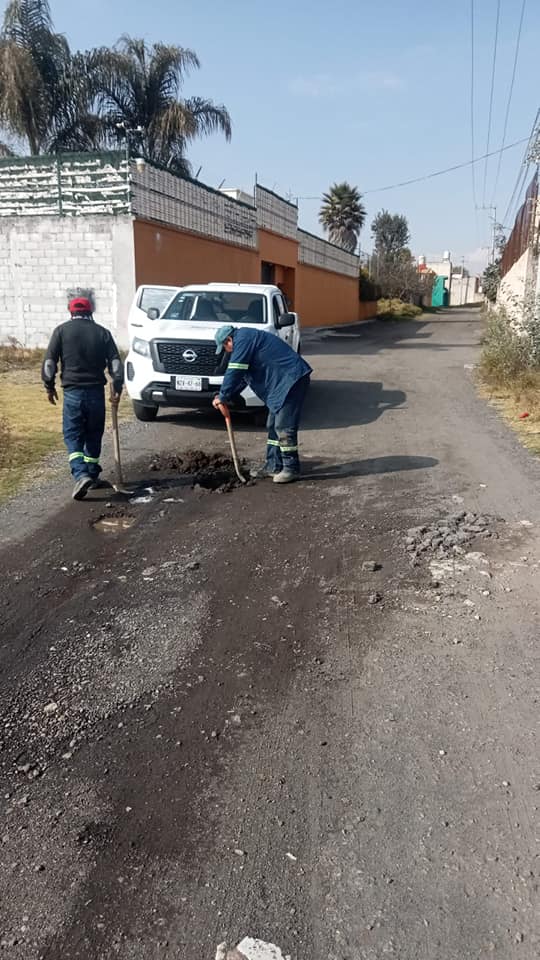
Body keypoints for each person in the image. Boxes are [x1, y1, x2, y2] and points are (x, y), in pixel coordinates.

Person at [41, 297, 124, 501]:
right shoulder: (102, 332)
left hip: (73, 393)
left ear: (71, 312)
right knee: (94, 433)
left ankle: (81, 474)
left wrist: (49, 386)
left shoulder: (61, 331)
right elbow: (115, 364)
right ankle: (92, 473)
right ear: (90, 312)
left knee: (72, 435)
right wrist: (118, 387)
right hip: (95, 392)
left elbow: (49, 363)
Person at [213, 325, 312, 483]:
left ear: (229, 340)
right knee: (272, 425)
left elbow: (235, 369)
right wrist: (223, 395)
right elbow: (241, 377)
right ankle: (273, 465)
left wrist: (223, 396)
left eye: (225, 347)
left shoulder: (243, 339)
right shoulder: (246, 339)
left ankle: (291, 468)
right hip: (281, 384)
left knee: (283, 426)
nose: (227, 351)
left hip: (291, 380)